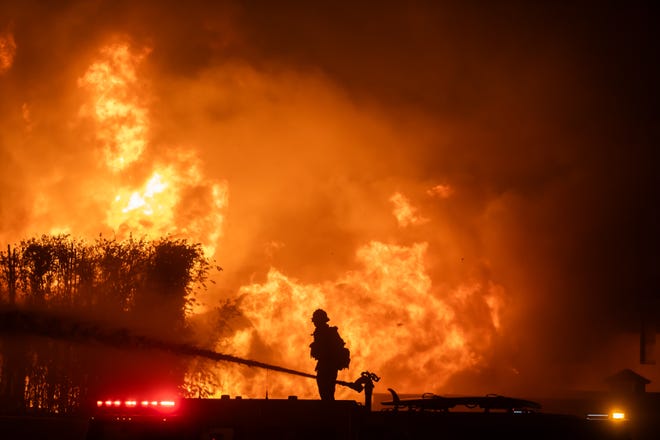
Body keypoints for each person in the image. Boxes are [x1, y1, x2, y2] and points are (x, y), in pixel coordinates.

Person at [309, 308, 349, 400]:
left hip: (328, 366)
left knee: (327, 391)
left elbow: (332, 350)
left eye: (316, 321)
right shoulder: (321, 332)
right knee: (325, 390)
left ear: (320, 321)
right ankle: (328, 406)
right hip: (325, 365)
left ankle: (329, 409)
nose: (314, 323)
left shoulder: (328, 333)